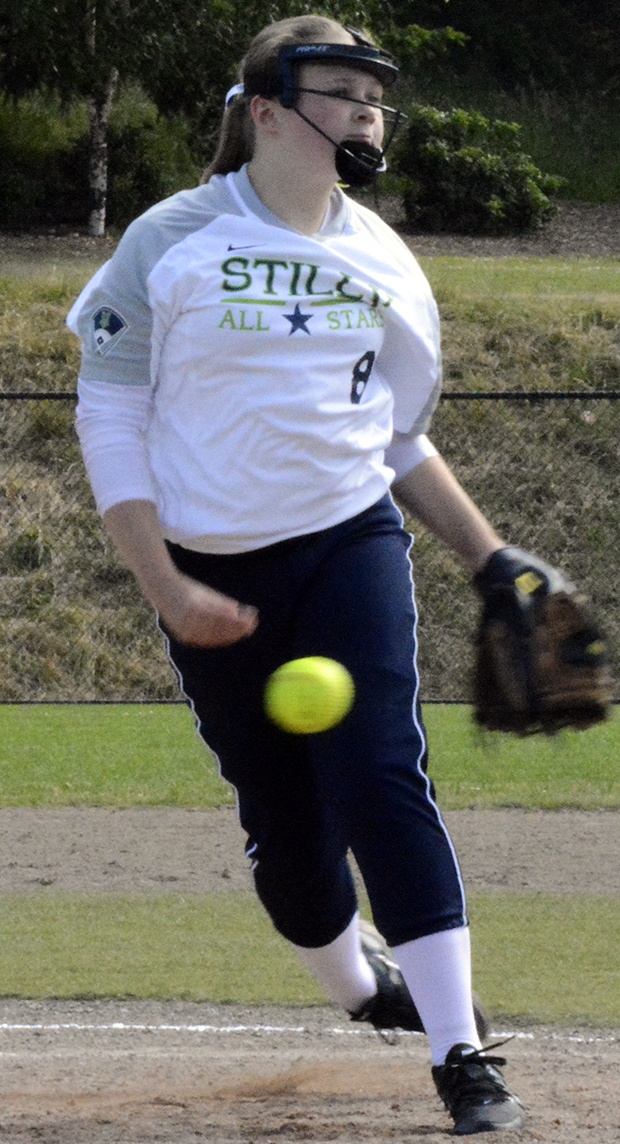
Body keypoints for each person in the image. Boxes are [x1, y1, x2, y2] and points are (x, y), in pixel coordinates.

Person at [69, 14, 526, 1135]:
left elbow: (397, 439)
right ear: (266, 109)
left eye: (375, 93)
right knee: (288, 844)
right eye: (340, 88)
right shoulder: (172, 239)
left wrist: (488, 556)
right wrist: (163, 587)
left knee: (381, 773)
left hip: (345, 543)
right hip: (212, 572)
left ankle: (457, 1049)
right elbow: (109, 413)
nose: (367, 108)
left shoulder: (383, 255)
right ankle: (359, 986)